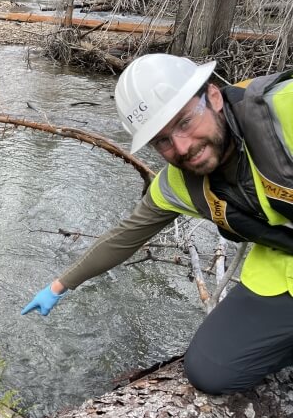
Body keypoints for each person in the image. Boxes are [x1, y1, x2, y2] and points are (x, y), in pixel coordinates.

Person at [21, 53, 293, 395]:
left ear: (212, 97)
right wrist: (59, 286)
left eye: (184, 122)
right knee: (210, 371)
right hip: (282, 270)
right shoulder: (179, 184)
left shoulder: (284, 108)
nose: (182, 147)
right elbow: (125, 236)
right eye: (162, 140)